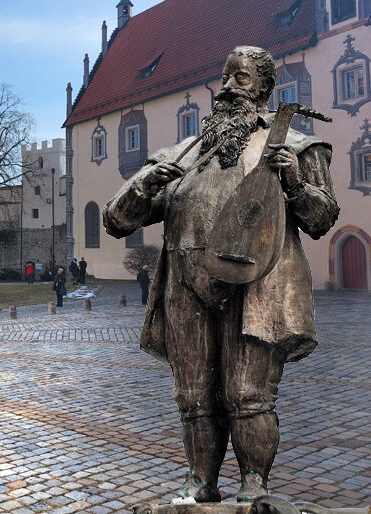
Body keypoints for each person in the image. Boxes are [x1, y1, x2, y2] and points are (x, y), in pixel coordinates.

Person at [103, 47, 339, 502]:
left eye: (243, 79)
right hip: (186, 288)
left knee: (247, 395)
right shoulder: (182, 154)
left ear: (264, 89)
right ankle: (200, 482)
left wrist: (294, 182)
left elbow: (321, 218)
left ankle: (255, 484)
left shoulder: (294, 146)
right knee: (193, 397)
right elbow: (118, 220)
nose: (229, 87)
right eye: (226, 77)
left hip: (257, 284)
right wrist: (143, 185)